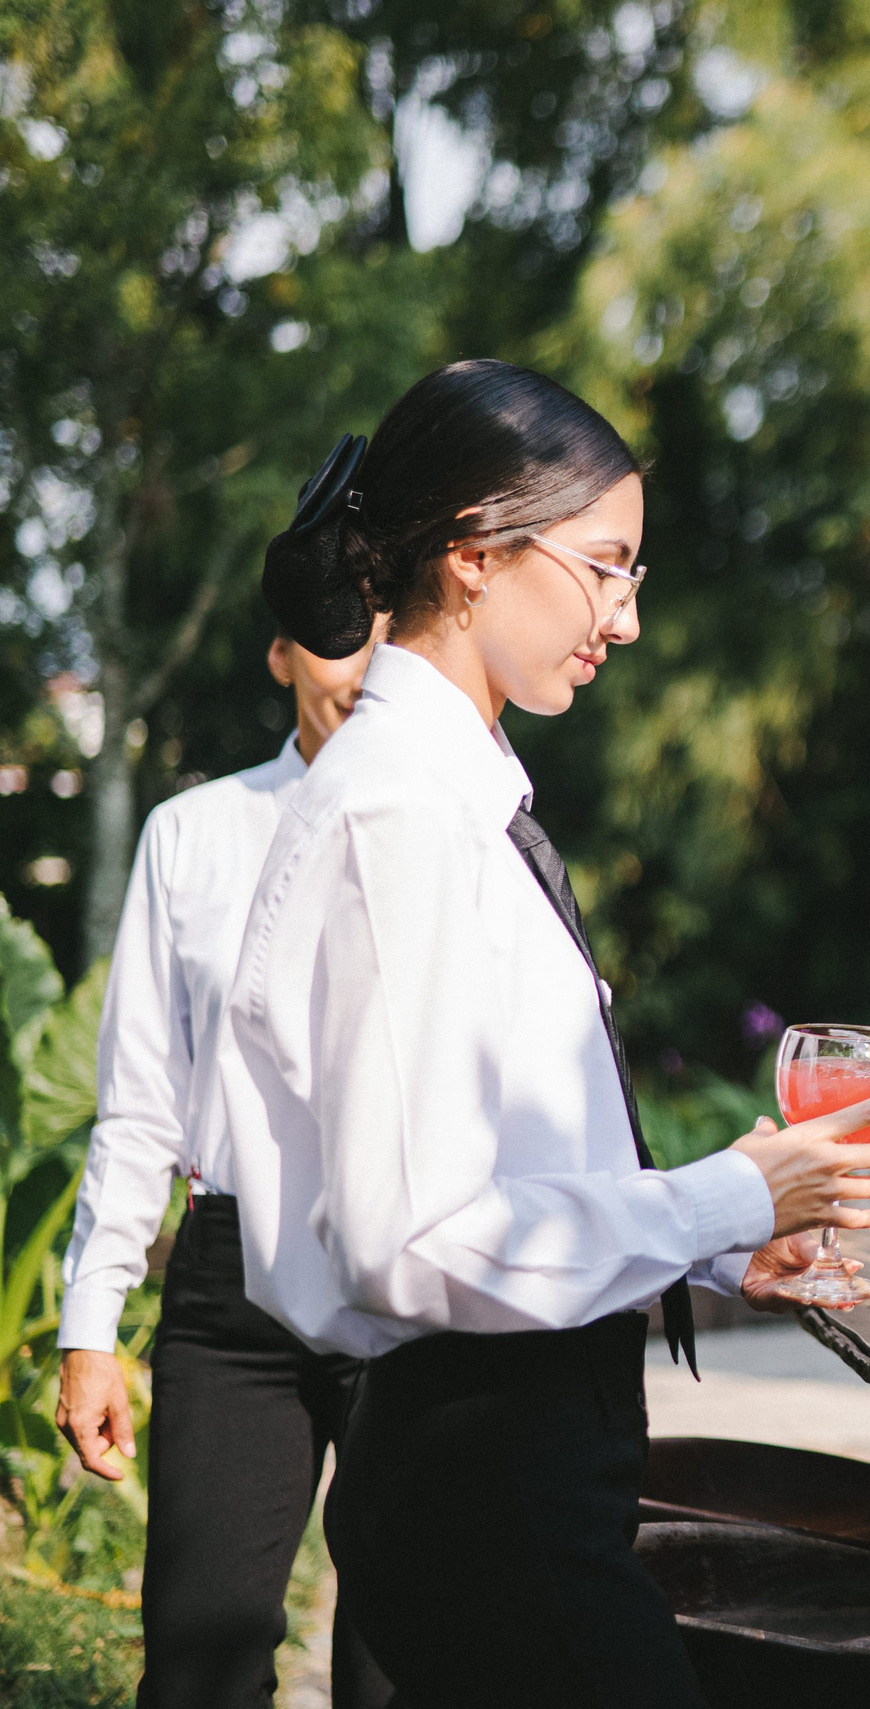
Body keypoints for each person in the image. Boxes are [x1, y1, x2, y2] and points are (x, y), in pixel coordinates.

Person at [220, 358, 870, 1707]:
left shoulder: (454, 798)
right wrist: (726, 1188)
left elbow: (505, 1161)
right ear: (478, 552)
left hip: (513, 1472)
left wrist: (722, 1237)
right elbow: (408, 1243)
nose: (629, 618)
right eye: (607, 567)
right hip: (485, 1487)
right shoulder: (404, 819)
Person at [53, 621, 391, 1708]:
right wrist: (91, 1325)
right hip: (231, 1276)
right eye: (342, 638)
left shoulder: (474, 828)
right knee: (200, 1664)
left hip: (411, 1279)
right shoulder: (192, 832)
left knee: (407, 1664)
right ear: (281, 651)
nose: (370, 669)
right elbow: (139, 1100)